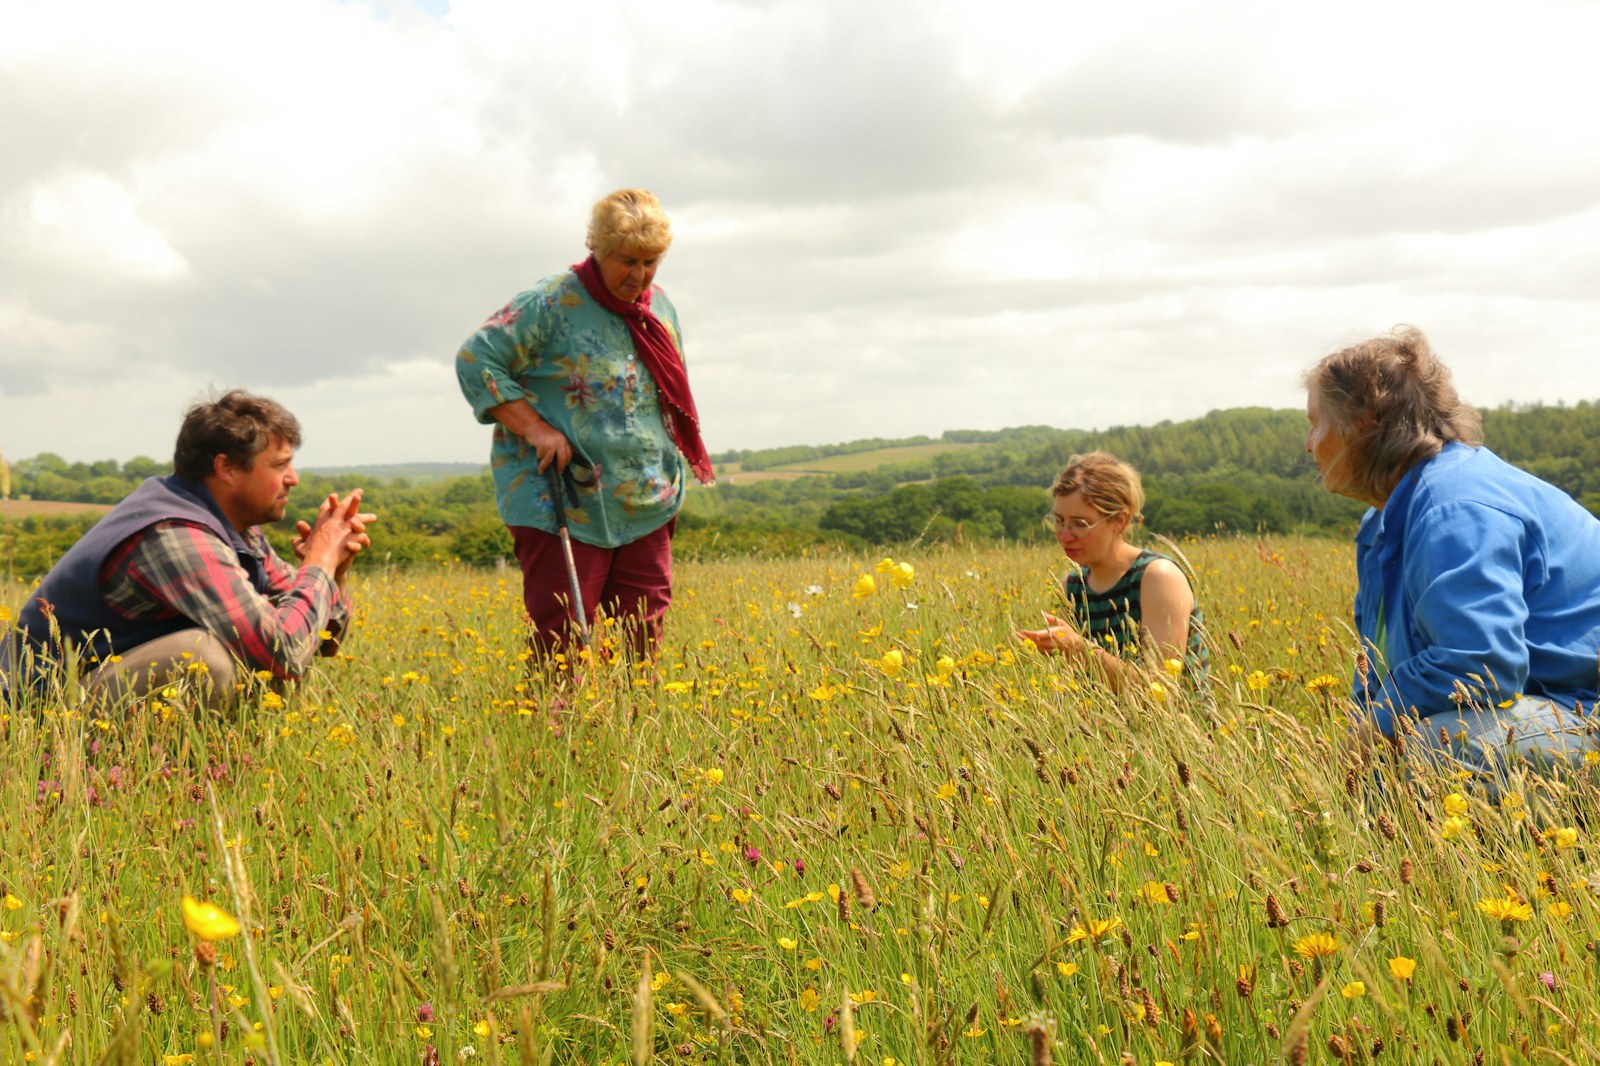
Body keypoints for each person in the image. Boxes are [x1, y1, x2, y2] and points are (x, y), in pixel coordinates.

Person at [1305, 325, 1600, 787]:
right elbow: (1379, 666)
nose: (1309, 445)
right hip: (1546, 706)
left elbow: (1482, 666)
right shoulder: (1386, 520)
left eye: (1315, 424)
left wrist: (1373, 731)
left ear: (1363, 421)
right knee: (1389, 757)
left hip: (1583, 710)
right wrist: (1357, 746)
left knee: (1433, 748)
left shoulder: (1454, 507)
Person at [455, 188, 713, 659]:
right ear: (597, 249)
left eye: (651, 262)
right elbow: (477, 359)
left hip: (645, 497)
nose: (639, 275)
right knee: (563, 638)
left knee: (643, 637)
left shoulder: (662, 308)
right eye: (627, 261)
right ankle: (561, 731)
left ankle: (634, 730)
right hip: (563, 500)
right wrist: (534, 428)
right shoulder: (550, 302)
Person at [1, 390, 375, 708]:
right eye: (279, 465)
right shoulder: (174, 534)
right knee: (205, 658)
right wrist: (319, 563)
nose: (293, 479)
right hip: (36, 714)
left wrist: (334, 572)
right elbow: (284, 652)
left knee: (260, 638)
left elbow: (314, 637)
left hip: (87, 695)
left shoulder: (237, 530)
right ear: (226, 469)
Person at [1015, 452, 1209, 687]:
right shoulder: (1072, 586)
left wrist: (1080, 650)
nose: (1064, 535)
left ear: (1120, 521)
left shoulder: (1158, 578)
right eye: (1058, 520)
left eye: (1080, 524)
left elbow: (1162, 692)